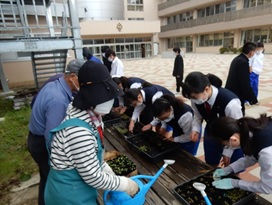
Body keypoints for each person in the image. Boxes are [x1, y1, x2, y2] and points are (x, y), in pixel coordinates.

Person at [44, 61, 138, 204]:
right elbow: (93, 177)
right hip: (69, 196)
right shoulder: (78, 133)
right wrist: (125, 184)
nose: (111, 101)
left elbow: (92, 157)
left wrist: (108, 171)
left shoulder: (91, 116)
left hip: (79, 188)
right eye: (107, 96)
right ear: (93, 97)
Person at [27, 59, 84, 205]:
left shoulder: (57, 82)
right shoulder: (58, 100)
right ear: (72, 76)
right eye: (82, 80)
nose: (83, 84)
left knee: (45, 177)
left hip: (35, 137)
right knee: (54, 181)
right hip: (41, 144)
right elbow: (51, 137)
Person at [182, 71, 244, 167]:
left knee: (233, 167)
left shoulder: (230, 103)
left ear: (206, 89)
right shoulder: (197, 99)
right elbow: (197, 116)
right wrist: (196, 129)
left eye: (194, 97)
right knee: (211, 163)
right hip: (212, 131)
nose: (193, 100)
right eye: (190, 98)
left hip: (233, 135)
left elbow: (238, 129)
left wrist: (228, 151)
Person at [210, 114, 272, 194]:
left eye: (227, 145)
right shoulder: (250, 129)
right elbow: (252, 157)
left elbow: (267, 188)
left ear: (233, 140)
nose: (228, 147)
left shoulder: (266, 154)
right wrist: (229, 169)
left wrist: (235, 183)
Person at [225, 42, 258, 115]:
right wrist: (253, 99)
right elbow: (245, 82)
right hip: (237, 93)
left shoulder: (238, 58)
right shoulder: (243, 62)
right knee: (239, 114)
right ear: (251, 52)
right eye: (254, 51)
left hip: (231, 90)